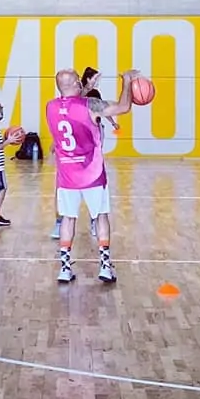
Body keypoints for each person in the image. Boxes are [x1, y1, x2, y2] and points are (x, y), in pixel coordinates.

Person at [46, 68, 135, 285]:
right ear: (77, 82)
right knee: (101, 216)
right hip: (92, 174)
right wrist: (127, 82)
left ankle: (65, 269)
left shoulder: (51, 107)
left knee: (68, 219)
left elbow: (73, 101)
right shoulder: (90, 106)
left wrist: (85, 88)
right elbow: (124, 107)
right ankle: (105, 266)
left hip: (67, 176)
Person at [49, 68, 116, 240]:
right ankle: (61, 221)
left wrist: (113, 123)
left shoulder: (90, 97)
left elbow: (90, 107)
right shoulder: (67, 102)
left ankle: (92, 220)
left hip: (87, 145)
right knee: (63, 188)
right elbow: (74, 108)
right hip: (70, 153)